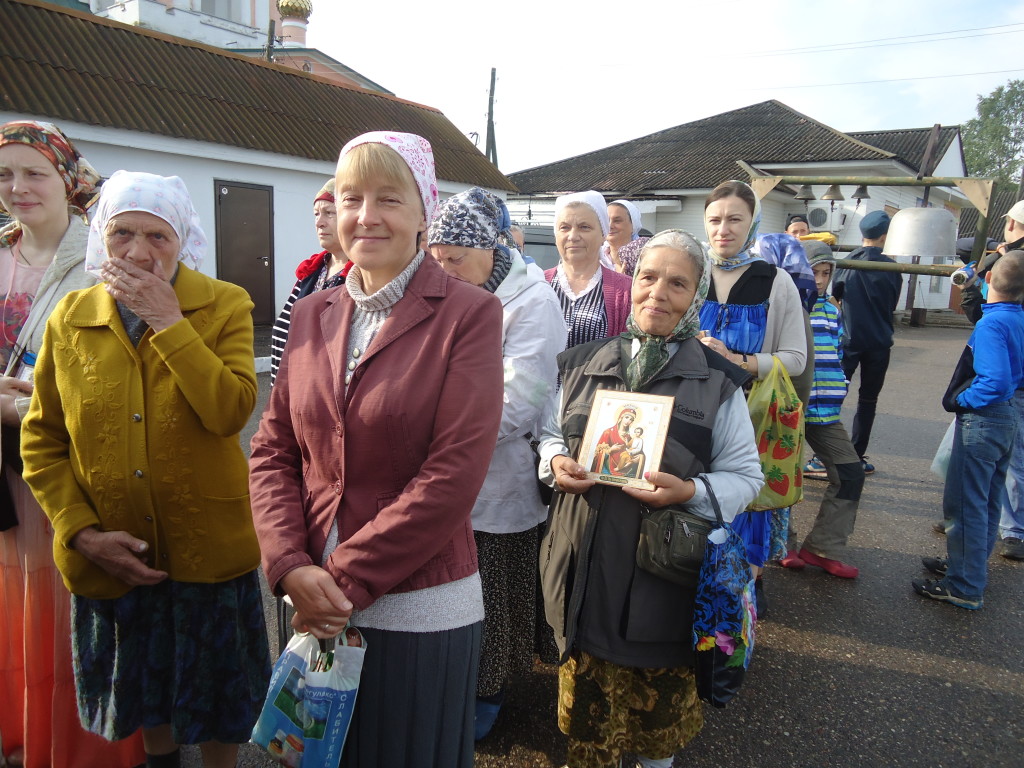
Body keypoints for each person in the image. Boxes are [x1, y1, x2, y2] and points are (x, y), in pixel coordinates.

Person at [248, 132, 505, 768]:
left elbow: (453, 475)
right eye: (350, 197)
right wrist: (286, 563)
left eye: (389, 198)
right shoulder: (314, 313)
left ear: (424, 211)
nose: (366, 216)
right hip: (309, 597)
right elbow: (275, 448)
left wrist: (337, 582)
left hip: (416, 607)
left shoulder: (469, 314)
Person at [20, 170, 269, 768]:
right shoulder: (70, 317)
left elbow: (230, 410)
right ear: (102, 236)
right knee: (146, 697)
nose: (136, 252)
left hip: (208, 554)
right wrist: (80, 531)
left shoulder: (224, 305)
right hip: (113, 556)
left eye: (157, 237)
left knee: (220, 701)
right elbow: (42, 438)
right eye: (122, 233)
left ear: (182, 240)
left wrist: (169, 322)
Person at [538, 230, 762, 768]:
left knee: (654, 737)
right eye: (648, 277)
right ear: (632, 283)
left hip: (663, 595)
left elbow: (747, 477)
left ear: (698, 297)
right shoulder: (579, 363)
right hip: (584, 584)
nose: (658, 293)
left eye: (678, 283)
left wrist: (688, 491)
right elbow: (547, 435)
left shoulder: (719, 384)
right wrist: (555, 464)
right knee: (588, 733)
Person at [0, 121, 146, 768]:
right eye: (5, 175)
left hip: (66, 474)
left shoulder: (100, 266)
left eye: (33, 172)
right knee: (12, 609)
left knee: (67, 615)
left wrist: (22, 402)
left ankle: (80, 750)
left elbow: (123, 387)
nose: (17, 187)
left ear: (68, 177)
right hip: (3, 471)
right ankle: (22, 733)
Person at [427, 186, 562, 740]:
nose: (445, 271)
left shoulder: (532, 302)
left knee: (495, 591)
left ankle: (490, 690)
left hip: (497, 478)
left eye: (456, 258)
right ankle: (454, 683)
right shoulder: (447, 290)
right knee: (446, 590)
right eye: (436, 259)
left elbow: (518, 402)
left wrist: (430, 429)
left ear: (488, 248)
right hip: (439, 472)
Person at [698, 180, 807, 614]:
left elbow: (795, 357)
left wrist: (738, 360)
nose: (723, 229)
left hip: (751, 418)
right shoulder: (691, 270)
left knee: (743, 509)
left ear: (753, 223)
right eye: (714, 220)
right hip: (693, 415)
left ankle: (735, 614)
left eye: (734, 219)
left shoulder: (774, 281)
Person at [914, 251, 1024, 609]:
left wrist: (962, 401)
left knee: (965, 504)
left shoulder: (991, 324)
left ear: (989, 280)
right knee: (988, 501)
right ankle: (969, 567)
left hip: (985, 418)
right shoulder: (1017, 317)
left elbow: (994, 381)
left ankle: (964, 585)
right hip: (1007, 418)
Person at [781, 242, 865, 578]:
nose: (818, 279)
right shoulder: (786, 307)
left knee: (850, 473)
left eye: (826, 273)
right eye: (813, 271)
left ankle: (823, 548)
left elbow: (838, 356)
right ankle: (780, 543)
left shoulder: (831, 310)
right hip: (789, 409)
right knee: (784, 477)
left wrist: (839, 389)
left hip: (826, 413)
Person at [832, 210, 902, 475]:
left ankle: (825, 455)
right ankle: (856, 455)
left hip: (849, 340)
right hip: (880, 341)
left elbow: (835, 297)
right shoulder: (892, 268)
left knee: (834, 397)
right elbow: (892, 303)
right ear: (885, 236)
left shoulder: (847, 263)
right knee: (868, 400)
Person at [269, 177, 350, 384]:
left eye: (330, 213)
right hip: (286, 391)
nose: (319, 222)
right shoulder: (312, 272)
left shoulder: (360, 277)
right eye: (316, 214)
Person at [546, 191, 633, 349]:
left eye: (584, 227)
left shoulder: (626, 291)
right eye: (564, 227)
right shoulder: (537, 284)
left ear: (603, 234)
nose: (573, 236)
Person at [605, 199, 642, 272]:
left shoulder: (643, 257)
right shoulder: (596, 257)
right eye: (607, 220)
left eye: (617, 221)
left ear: (633, 225)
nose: (610, 226)